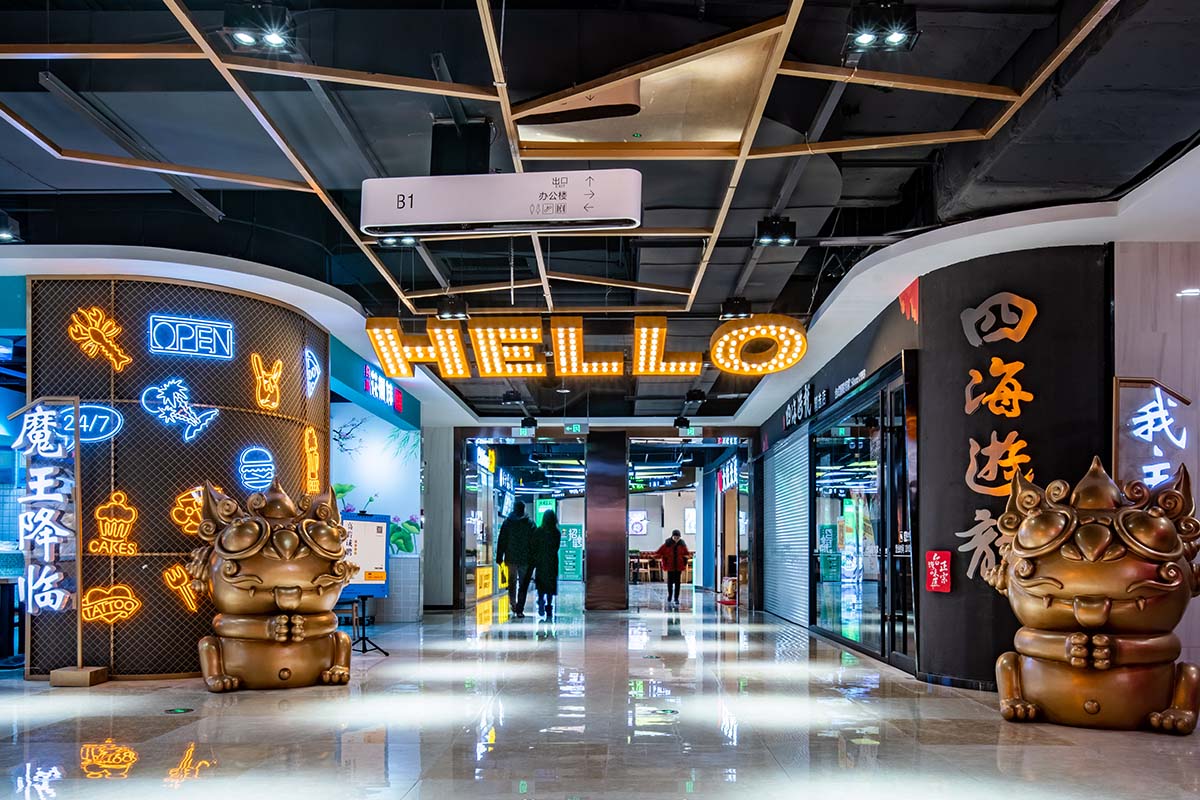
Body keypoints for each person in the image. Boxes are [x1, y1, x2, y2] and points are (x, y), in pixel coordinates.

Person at [495, 501, 536, 618]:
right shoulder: (530, 523)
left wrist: (499, 557)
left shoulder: (507, 523)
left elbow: (502, 540)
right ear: (524, 509)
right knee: (523, 585)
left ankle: (513, 604)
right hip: (525, 559)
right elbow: (535, 542)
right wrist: (534, 558)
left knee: (511, 583)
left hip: (511, 558)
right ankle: (520, 609)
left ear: (514, 509)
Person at [533, 509, 562, 618]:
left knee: (541, 584)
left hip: (541, 561)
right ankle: (549, 606)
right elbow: (556, 547)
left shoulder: (538, 531)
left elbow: (534, 546)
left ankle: (541, 600)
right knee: (551, 584)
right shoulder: (556, 533)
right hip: (552, 561)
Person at [654, 529, 690, 606]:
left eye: (678, 538)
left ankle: (676, 598)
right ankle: (670, 595)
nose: (676, 539)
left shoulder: (682, 544)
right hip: (670, 566)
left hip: (679, 566)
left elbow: (686, 553)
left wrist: (685, 559)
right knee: (670, 582)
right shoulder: (667, 544)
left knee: (678, 583)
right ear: (672, 536)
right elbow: (659, 552)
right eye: (675, 537)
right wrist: (654, 557)